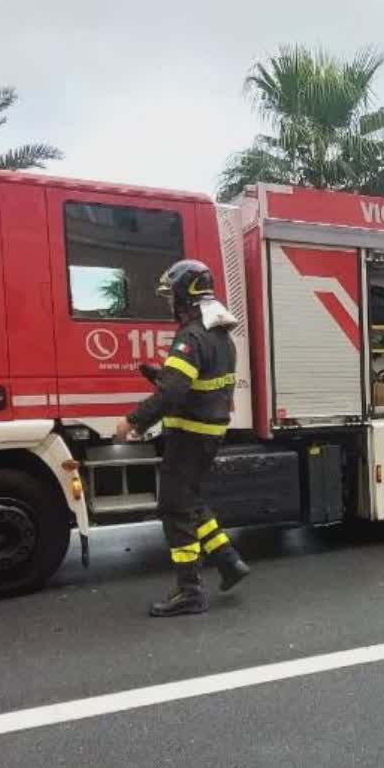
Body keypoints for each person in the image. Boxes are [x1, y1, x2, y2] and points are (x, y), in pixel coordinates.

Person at [114, 259, 252, 616]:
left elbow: (174, 393)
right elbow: (194, 382)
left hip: (190, 433)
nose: (168, 302)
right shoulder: (220, 334)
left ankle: (189, 591)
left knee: (175, 508)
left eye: (171, 295)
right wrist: (160, 375)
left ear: (184, 295)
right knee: (190, 499)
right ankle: (228, 561)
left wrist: (133, 420)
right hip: (209, 430)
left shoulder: (191, 335)